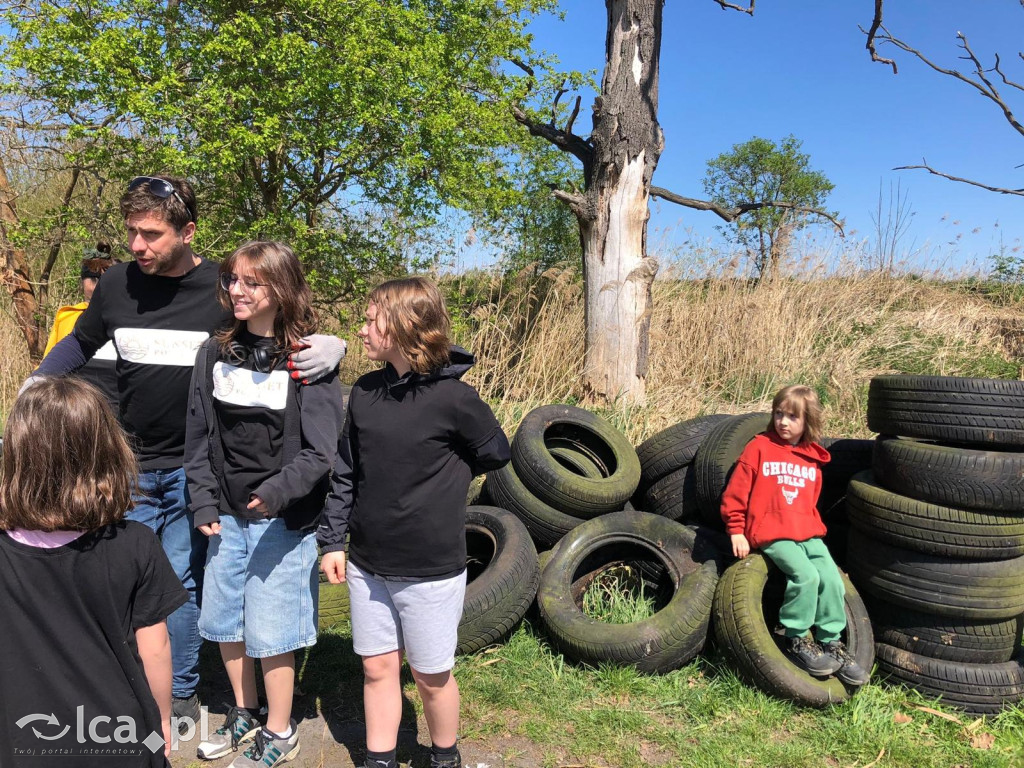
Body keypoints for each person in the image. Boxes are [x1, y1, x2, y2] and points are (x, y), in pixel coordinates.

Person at [28, 174, 346, 728]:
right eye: (131, 232)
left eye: (150, 234)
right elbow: (80, 343)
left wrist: (331, 346)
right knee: (118, 574)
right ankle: (126, 678)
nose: (136, 246)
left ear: (187, 231)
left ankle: (178, 692)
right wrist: (35, 387)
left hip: (196, 468)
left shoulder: (221, 292)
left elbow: (271, 318)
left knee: (176, 579)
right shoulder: (116, 286)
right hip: (127, 462)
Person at [318, 277, 511, 768]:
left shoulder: (454, 399)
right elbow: (346, 469)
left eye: (369, 320)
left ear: (404, 326)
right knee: (378, 668)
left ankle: (445, 757)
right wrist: (332, 541)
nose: (361, 331)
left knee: (430, 675)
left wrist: (443, 482)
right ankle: (379, 759)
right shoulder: (363, 392)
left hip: (430, 569)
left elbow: (495, 451)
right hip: (367, 564)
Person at [184, 241, 344, 767]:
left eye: (251, 282)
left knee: (273, 628)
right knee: (227, 620)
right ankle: (245, 714)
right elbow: (199, 437)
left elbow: (321, 452)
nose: (236, 290)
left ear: (281, 289)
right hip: (225, 516)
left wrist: (274, 493)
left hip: (282, 518)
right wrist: (204, 501)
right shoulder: (213, 352)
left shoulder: (308, 361)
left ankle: (280, 730)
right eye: (233, 279)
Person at [0, 377, 187, 767]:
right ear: (106, 451)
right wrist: (163, 719)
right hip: (115, 737)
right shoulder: (135, 543)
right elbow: (155, 649)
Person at [720, 384, 869, 687]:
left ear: (807, 422)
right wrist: (736, 530)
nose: (783, 422)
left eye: (792, 417)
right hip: (772, 533)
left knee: (829, 577)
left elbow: (808, 503)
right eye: (779, 414)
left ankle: (831, 641)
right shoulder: (759, 448)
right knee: (806, 577)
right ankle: (796, 637)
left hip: (808, 533)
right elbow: (736, 493)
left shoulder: (811, 459)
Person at [43, 242, 119, 409]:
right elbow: (48, 372)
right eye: (93, 279)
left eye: (101, 280)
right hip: (77, 414)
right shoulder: (68, 317)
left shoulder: (128, 319)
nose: (97, 285)